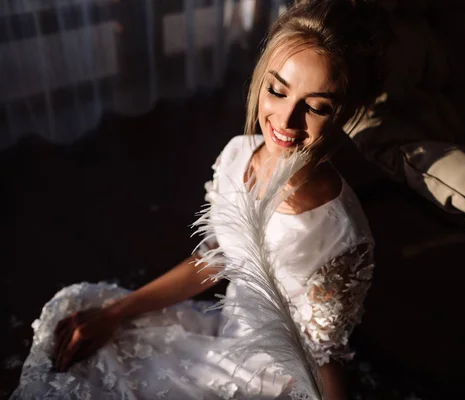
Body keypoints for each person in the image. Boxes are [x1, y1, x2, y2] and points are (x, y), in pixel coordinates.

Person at [10, 1, 392, 399]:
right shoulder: (239, 154)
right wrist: (116, 314)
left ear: (346, 113)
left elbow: (323, 357)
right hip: (222, 337)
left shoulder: (341, 236)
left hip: (275, 380)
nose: (286, 120)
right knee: (81, 314)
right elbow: (215, 259)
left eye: (316, 107)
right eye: (277, 90)